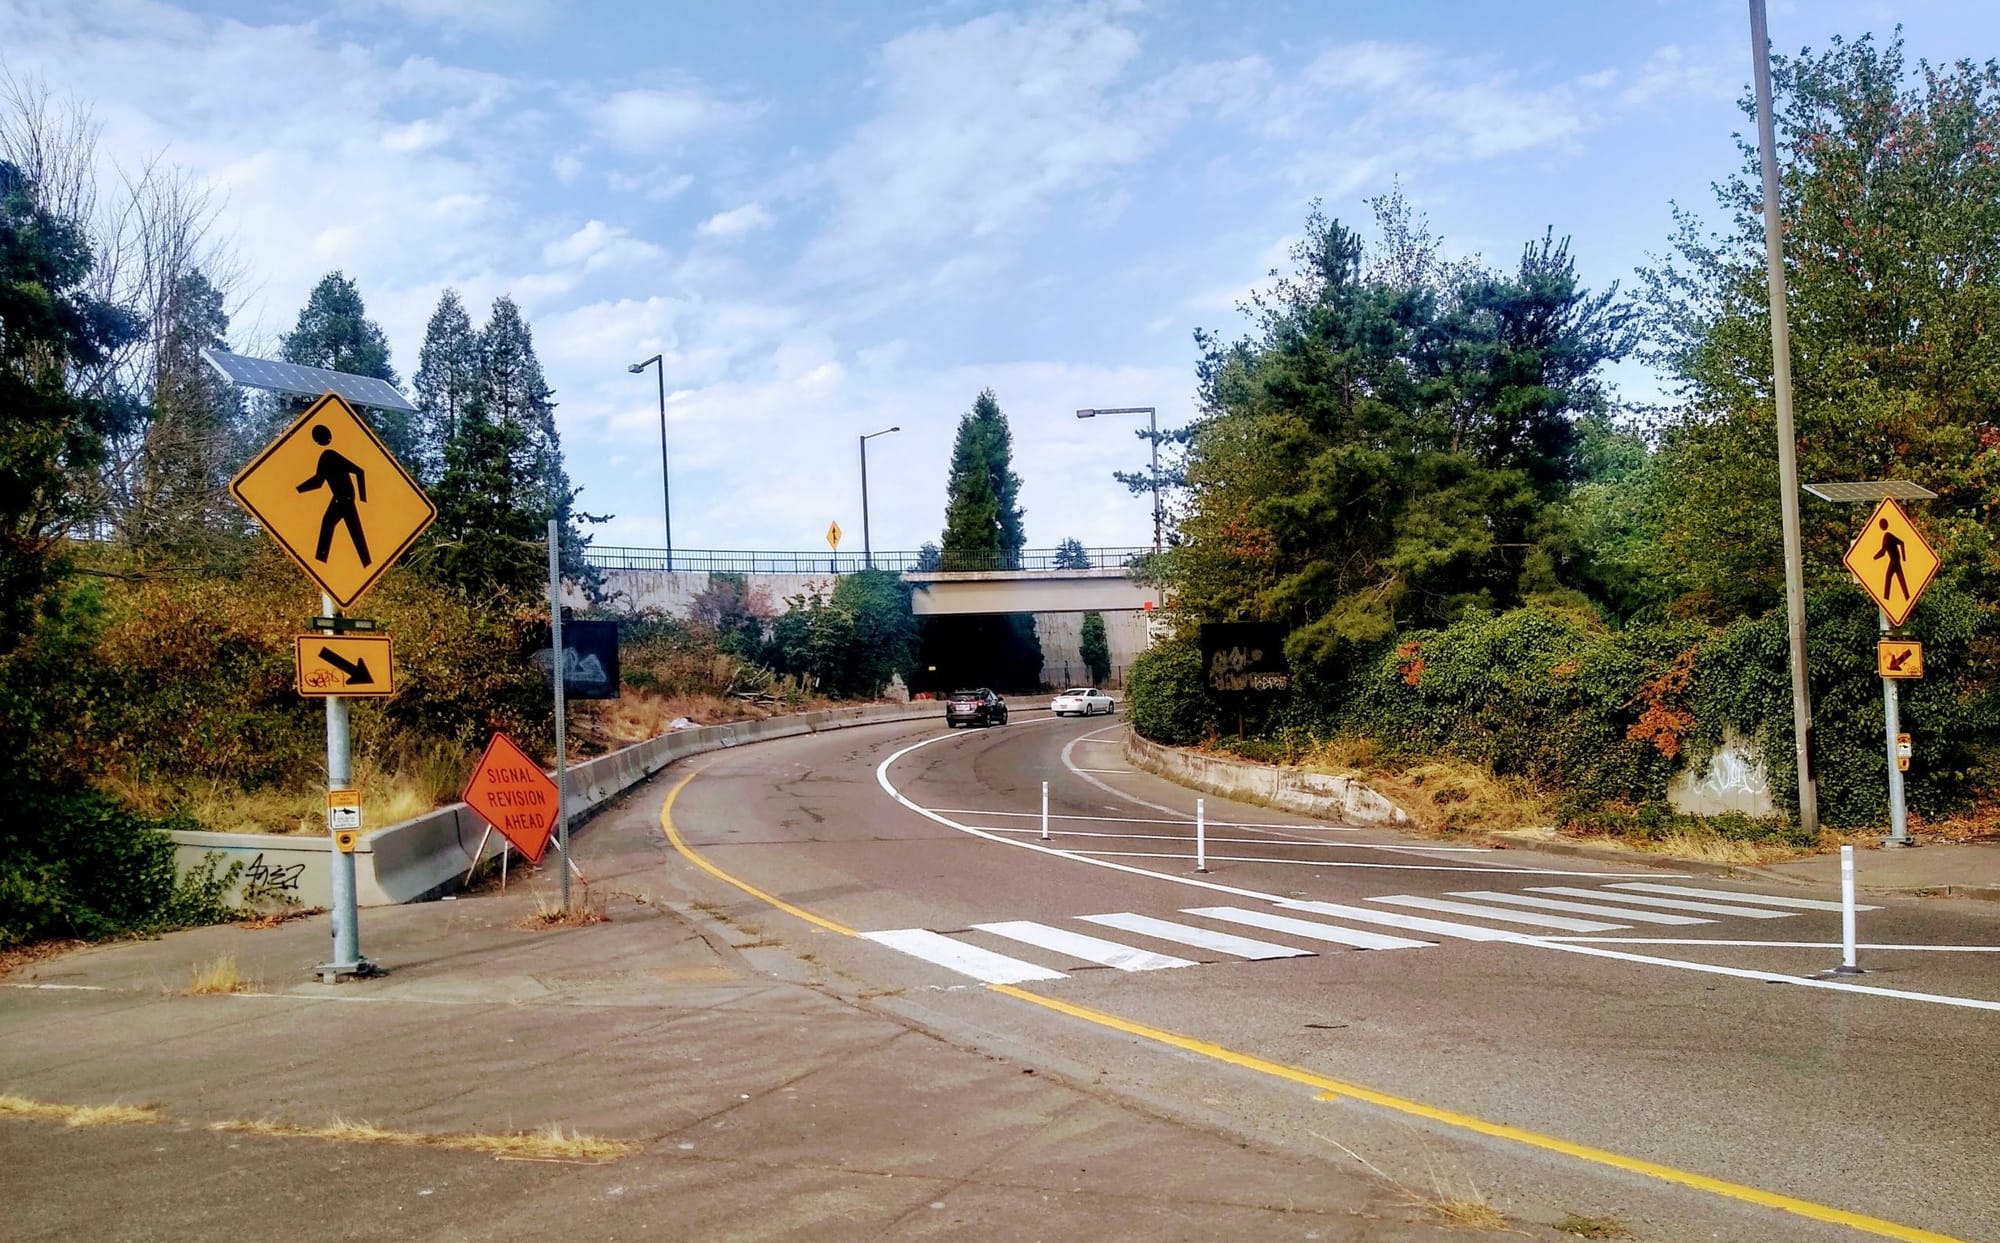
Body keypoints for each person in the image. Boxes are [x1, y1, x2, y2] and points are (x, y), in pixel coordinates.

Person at [297, 424, 370, 565]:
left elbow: (359, 471)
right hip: (341, 498)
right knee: (352, 532)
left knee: (334, 525)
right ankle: (364, 562)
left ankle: (320, 561)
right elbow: (318, 482)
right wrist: (298, 489)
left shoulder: (329, 455)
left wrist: (363, 499)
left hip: (344, 498)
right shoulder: (327, 455)